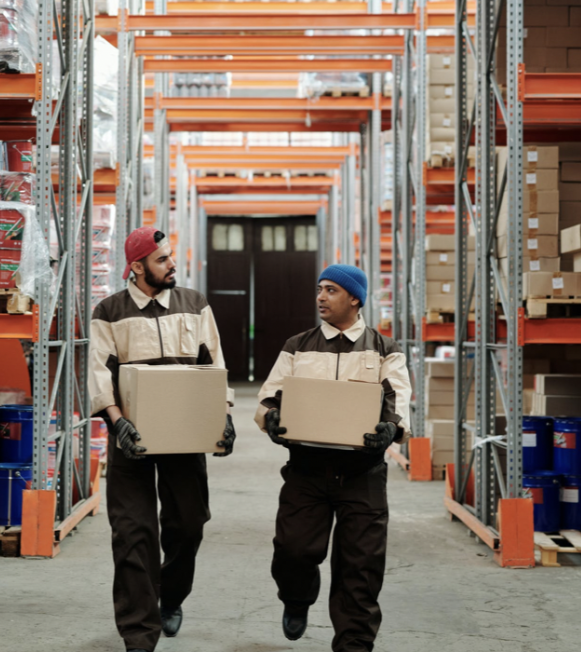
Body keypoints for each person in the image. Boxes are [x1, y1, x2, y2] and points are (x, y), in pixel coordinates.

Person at [90, 226, 237, 652]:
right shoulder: (110, 311)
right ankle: (139, 634)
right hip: (131, 439)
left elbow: (215, 363)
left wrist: (222, 417)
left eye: (171, 257)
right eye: (161, 260)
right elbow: (100, 374)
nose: (172, 265)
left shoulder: (195, 304)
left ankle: (170, 596)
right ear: (136, 268)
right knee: (133, 533)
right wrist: (118, 425)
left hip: (185, 434)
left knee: (188, 524)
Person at [254, 264, 411, 652]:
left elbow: (398, 401)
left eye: (331, 291)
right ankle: (297, 596)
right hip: (306, 470)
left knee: (361, 566)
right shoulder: (298, 345)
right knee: (293, 550)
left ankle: (354, 644)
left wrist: (391, 428)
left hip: (363, 473)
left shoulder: (383, 348)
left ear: (355, 298)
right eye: (319, 289)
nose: (321, 297)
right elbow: (268, 397)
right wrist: (271, 418)